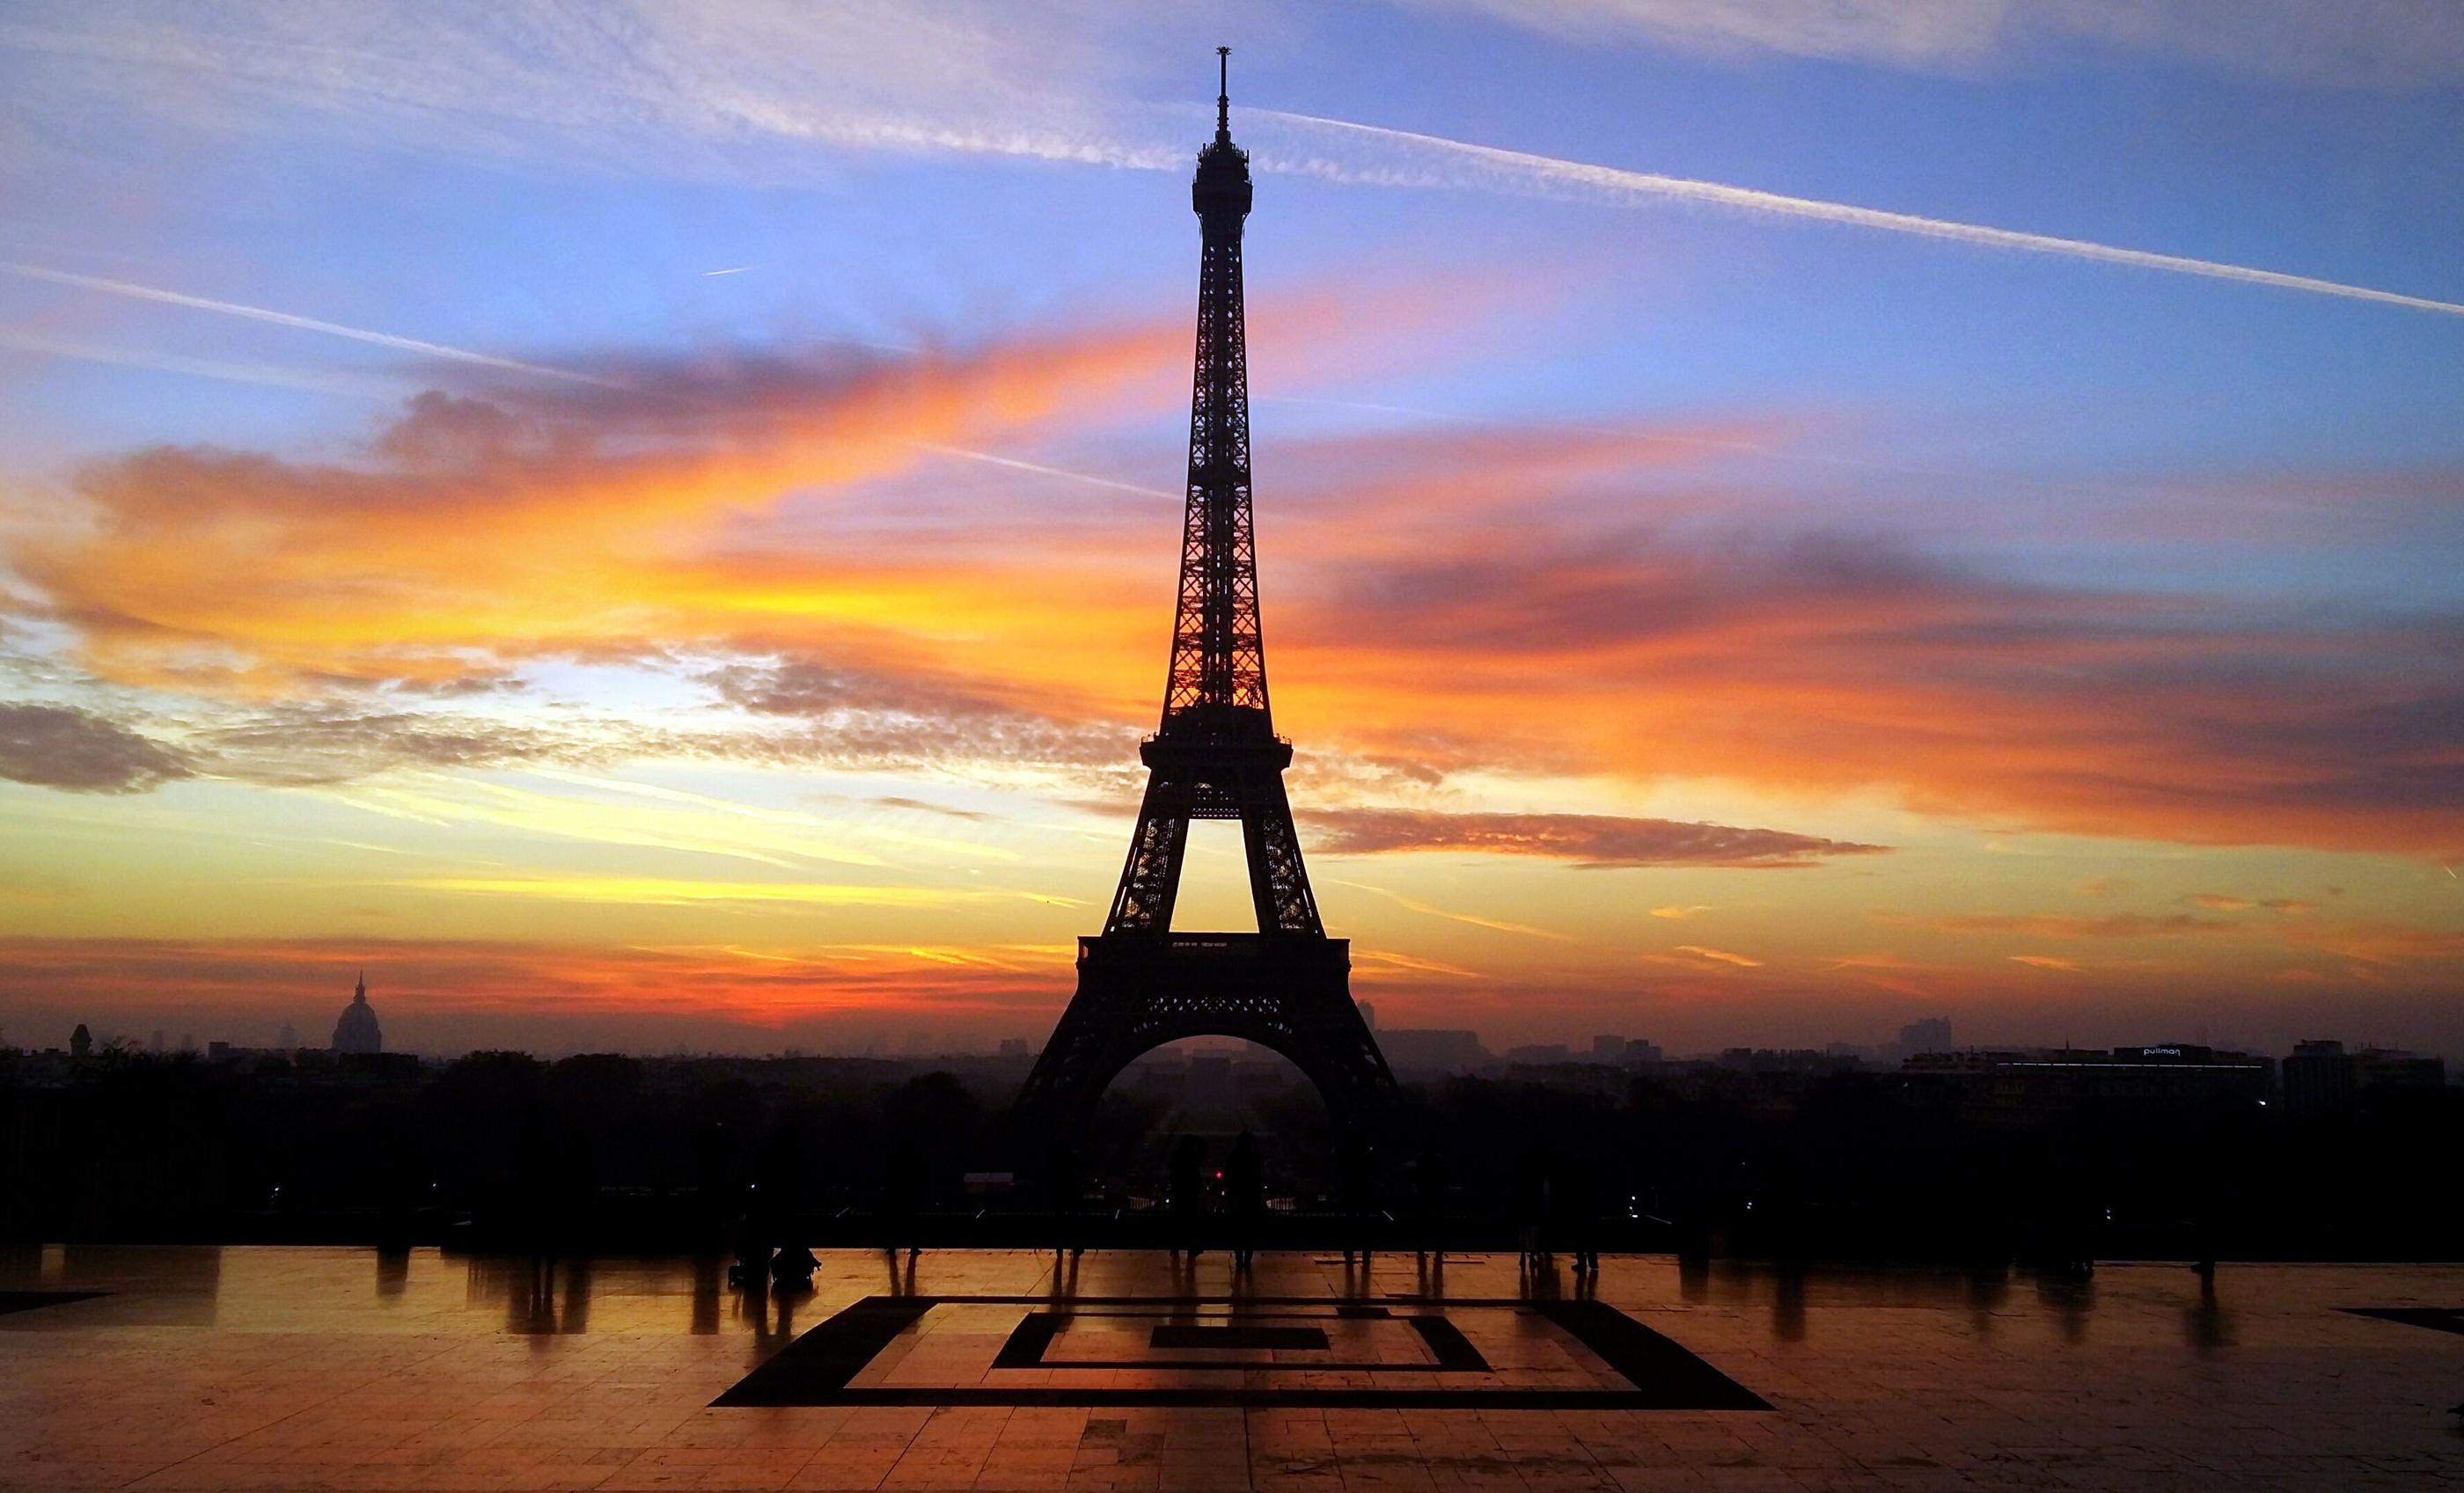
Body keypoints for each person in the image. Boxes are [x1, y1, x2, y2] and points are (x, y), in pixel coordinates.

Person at [1225, 1131, 1265, 1270]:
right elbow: (1258, 1178)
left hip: (1237, 1197)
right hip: (1250, 1198)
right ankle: (1247, 1259)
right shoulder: (1254, 1158)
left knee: (1237, 1231)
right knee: (1249, 1231)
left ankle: (1239, 1258)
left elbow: (1228, 1178)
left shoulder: (1232, 1158)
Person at [1168, 1135, 1207, 1262]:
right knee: (1191, 1222)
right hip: (1190, 1193)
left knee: (1178, 1221)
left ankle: (1175, 1247)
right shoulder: (1192, 1157)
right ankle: (1192, 1247)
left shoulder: (1176, 1156)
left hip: (1180, 1192)